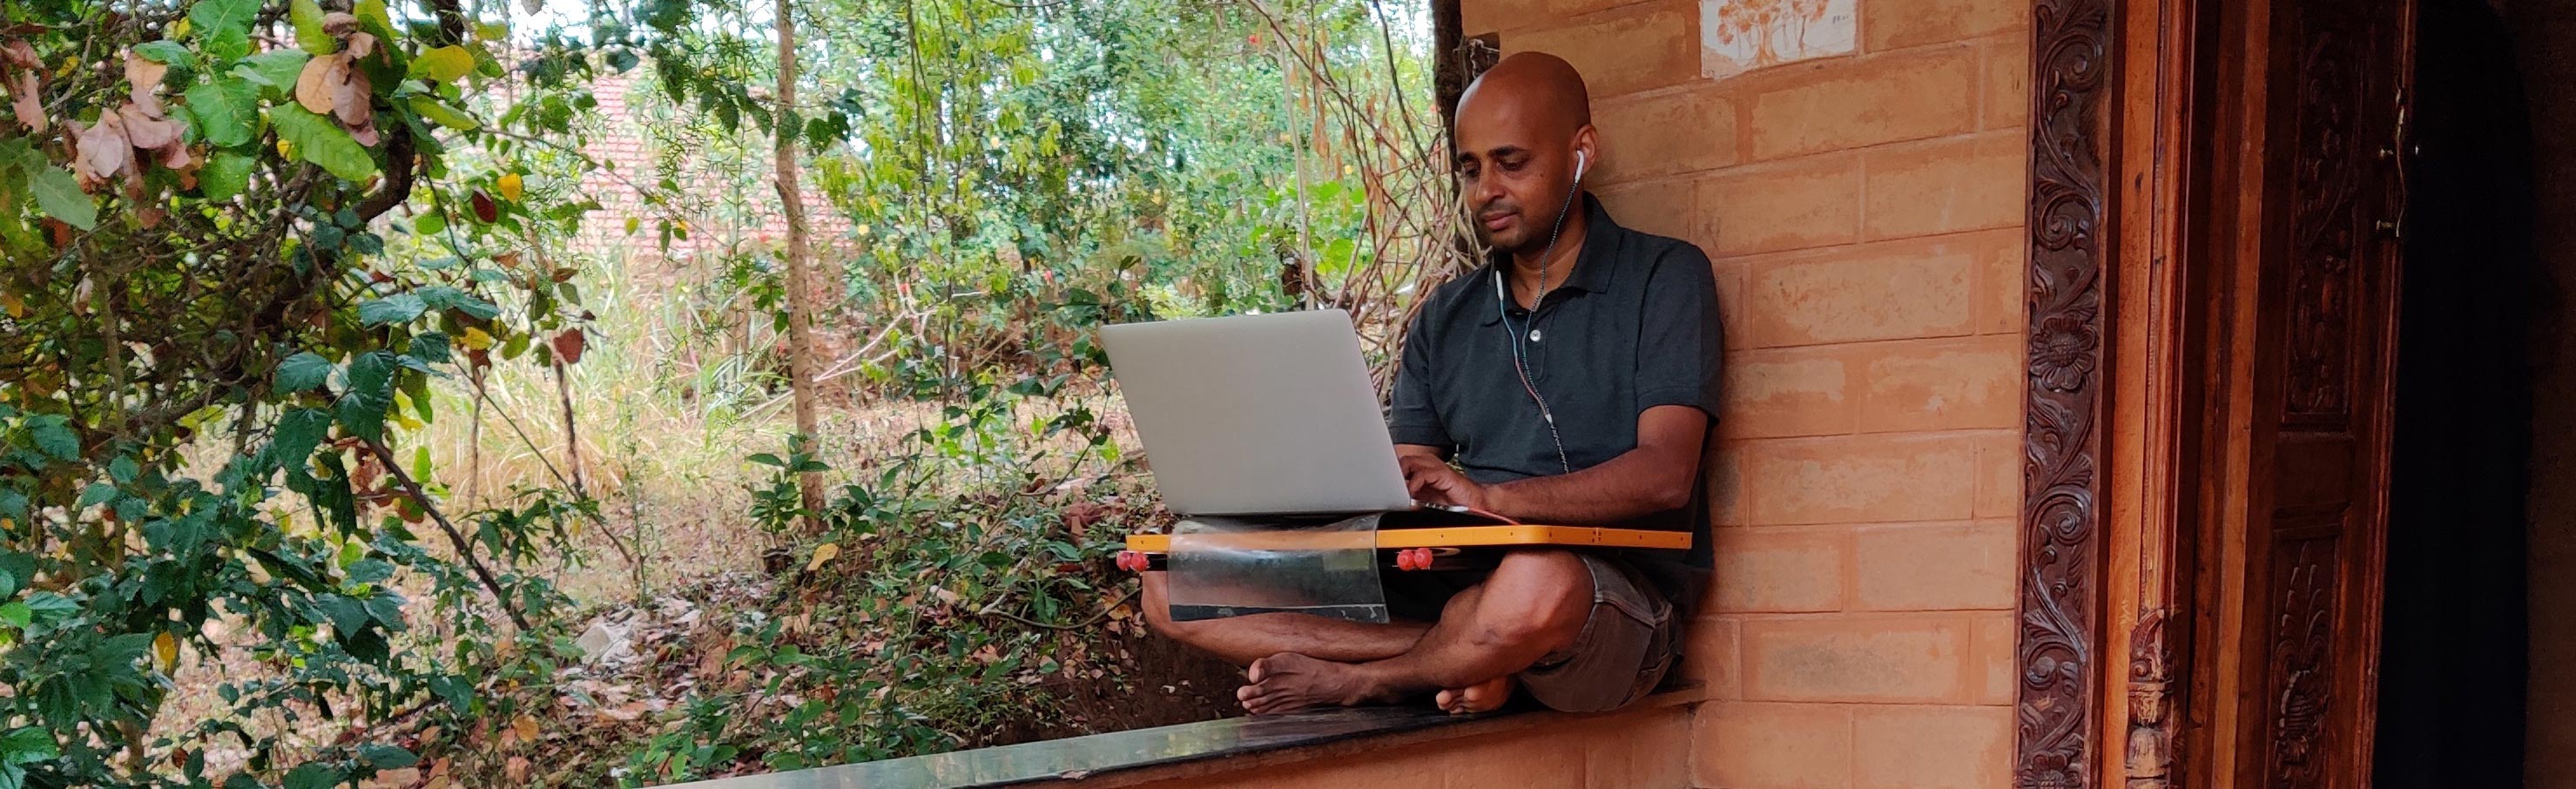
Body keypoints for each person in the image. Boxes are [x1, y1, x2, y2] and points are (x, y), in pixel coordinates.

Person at [1139, 51, 1721, 716]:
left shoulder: (1665, 278)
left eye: (1512, 162)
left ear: (1581, 153)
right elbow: (1412, 461)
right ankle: (1468, 656)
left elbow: (1666, 474)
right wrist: (1375, 479)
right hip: (1463, 588)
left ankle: (1372, 678)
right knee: (1172, 584)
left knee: (1532, 584)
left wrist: (1492, 497)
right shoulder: (1448, 314)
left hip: (1612, 603)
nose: (1485, 191)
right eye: (1470, 169)